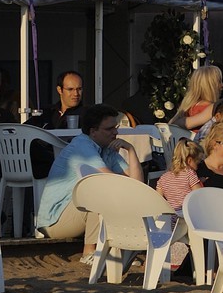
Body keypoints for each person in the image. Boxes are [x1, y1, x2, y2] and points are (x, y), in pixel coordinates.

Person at [35, 103, 145, 254]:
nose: (115, 132)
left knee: (112, 196)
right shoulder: (83, 148)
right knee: (99, 195)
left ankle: (121, 252)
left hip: (75, 216)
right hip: (54, 222)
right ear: (93, 131)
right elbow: (111, 182)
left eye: (116, 127)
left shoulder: (107, 147)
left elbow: (137, 185)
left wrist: (131, 150)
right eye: (109, 129)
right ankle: (90, 253)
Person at [156, 139, 204, 279]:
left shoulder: (164, 177)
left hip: (169, 218)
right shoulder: (190, 174)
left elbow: (158, 199)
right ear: (190, 160)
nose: (198, 165)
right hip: (184, 218)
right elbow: (199, 196)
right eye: (198, 162)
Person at [29, 70, 86, 178]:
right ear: (59, 90)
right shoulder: (47, 112)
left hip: (70, 166)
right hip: (39, 165)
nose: (76, 94)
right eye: (70, 89)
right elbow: (23, 130)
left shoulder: (87, 114)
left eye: (79, 89)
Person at [171, 65, 222, 133]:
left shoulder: (188, 107)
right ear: (210, 86)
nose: (222, 85)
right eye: (219, 82)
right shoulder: (211, 109)